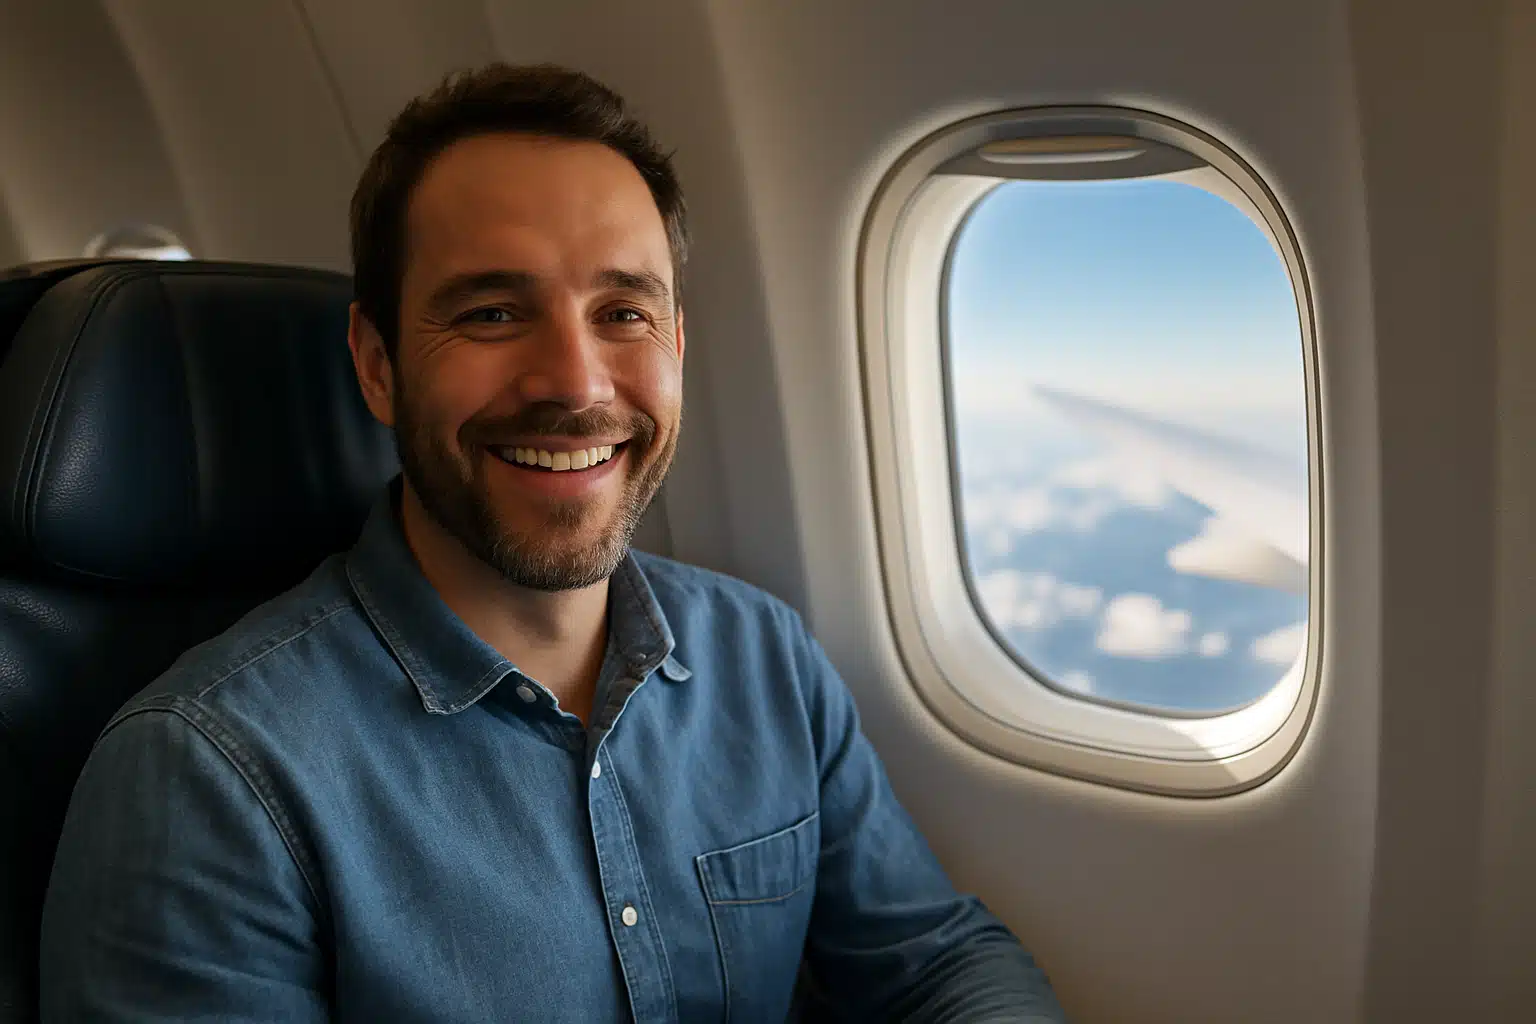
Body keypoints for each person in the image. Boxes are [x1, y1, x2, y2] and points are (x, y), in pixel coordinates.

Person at [39, 63, 1067, 1022]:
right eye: (492, 312)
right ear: (379, 365)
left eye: (622, 310)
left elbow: (934, 959)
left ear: (674, 346)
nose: (575, 384)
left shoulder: (767, 659)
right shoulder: (208, 777)